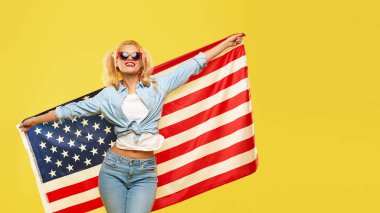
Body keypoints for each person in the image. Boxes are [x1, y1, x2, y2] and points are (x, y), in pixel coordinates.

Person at [18, 33, 244, 213]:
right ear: (116, 62)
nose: (129, 59)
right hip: (114, 169)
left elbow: (193, 65)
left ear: (142, 60)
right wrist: (34, 121)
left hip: (145, 173)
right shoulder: (107, 96)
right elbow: (68, 111)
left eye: (135, 55)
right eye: (124, 55)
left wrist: (225, 44)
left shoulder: (158, 86)